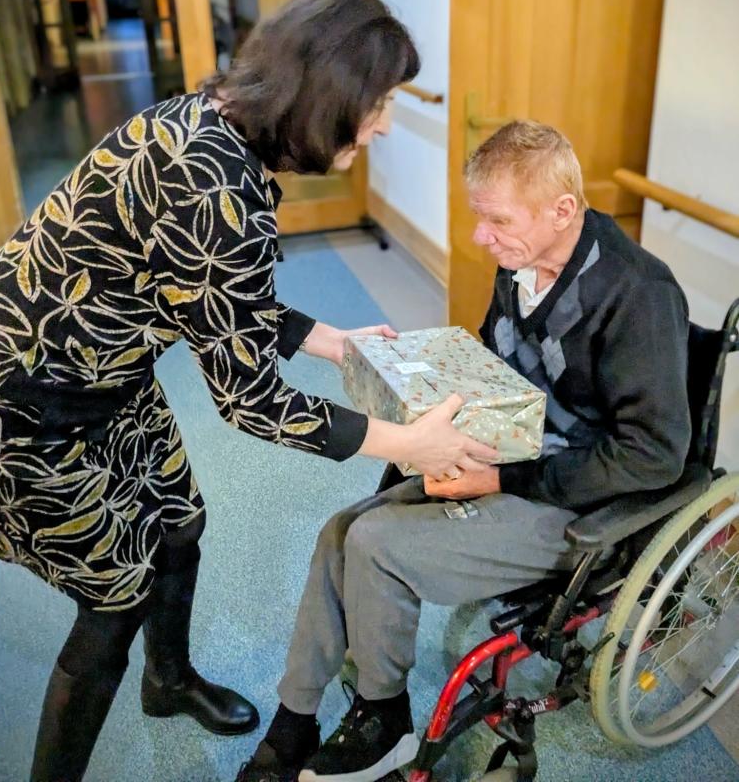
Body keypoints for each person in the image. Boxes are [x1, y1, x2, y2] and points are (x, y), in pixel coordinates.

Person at [0, 0, 498, 782]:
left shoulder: (208, 123)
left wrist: (332, 341)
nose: (385, 126)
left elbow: (214, 295)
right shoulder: (216, 188)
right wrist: (409, 441)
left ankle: (167, 682)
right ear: (328, 97)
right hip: (27, 405)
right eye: (378, 105)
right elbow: (250, 401)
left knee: (177, 523)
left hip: (107, 374)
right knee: (114, 598)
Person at [235, 120, 691, 782]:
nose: (481, 236)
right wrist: (416, 411)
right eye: (480, 217)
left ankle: (384, 717)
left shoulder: (638, 295)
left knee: (377, 545)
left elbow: (654, 455)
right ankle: (295, 716)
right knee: (340, 531)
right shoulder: (523, 263)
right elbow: (490, 366)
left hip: (576, 501)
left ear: (563, 210)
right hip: (502, 454)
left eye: (497, 219)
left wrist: (501, 479)